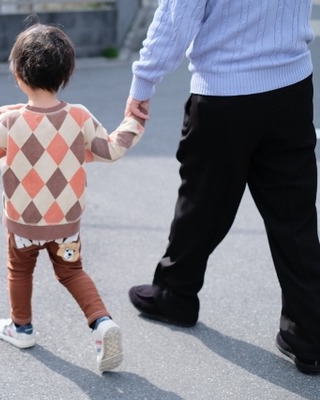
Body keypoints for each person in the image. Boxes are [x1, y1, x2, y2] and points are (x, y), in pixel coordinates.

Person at [124, 0, 320, 374]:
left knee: (202, 204)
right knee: (295, 218)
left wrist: (144, 81)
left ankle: (175, 294)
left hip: (224, 90)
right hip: (291, 86)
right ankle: (310, 335)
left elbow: (177, 15)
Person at [0, 23, 144, 371]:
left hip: (23, 226)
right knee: (71, 271)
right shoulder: (79, 116)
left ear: (18, 74)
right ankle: (101, 322)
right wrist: (133, 123)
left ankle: (21, 327)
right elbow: (110, 150)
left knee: (20, 271)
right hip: (66, 227)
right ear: (66, 74)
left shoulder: (9, 120)